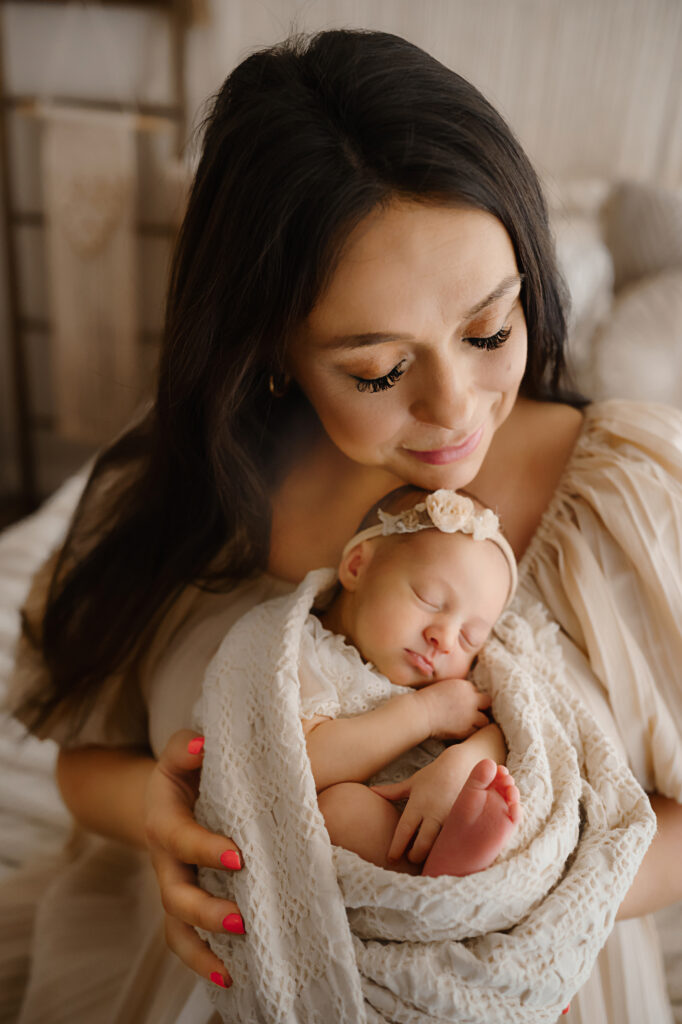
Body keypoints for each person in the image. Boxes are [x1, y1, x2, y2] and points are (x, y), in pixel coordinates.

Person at [3, 26, 681, 1024]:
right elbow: (81, 750)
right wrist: (163, 807)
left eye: (490, 329)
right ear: (272, 347)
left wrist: (486, 912)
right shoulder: (184, 489)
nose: (454, 405)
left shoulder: (631, 496)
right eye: (377, 369)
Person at [295, 485, 520, 876]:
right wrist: (423, 713)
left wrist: (461, 763)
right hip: (374, 831)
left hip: (444, 802)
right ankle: (434, 876)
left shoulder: (452, 685)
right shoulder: (306, 651)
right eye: (429, 599)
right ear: (356, 568)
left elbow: (507, 734)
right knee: (342, 810)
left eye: (471, 638)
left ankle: (463, 854)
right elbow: (303, 762)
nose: (446, 640)